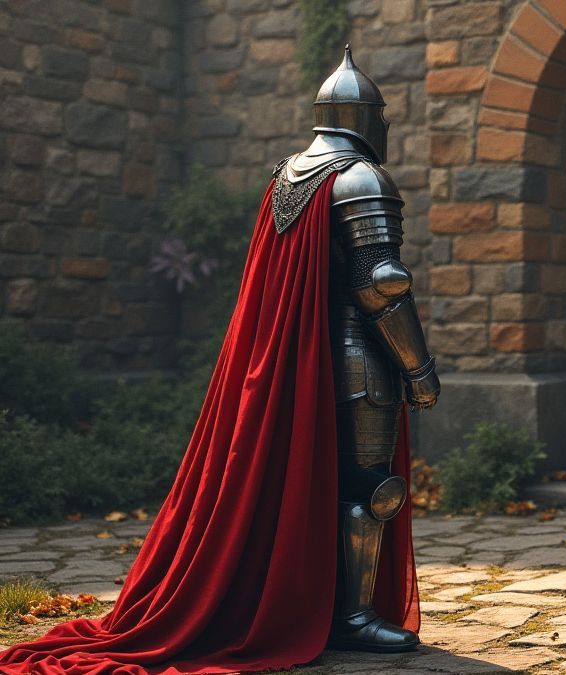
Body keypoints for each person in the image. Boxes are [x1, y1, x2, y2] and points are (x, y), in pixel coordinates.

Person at [0, 46, 437, 674]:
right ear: (368, 119)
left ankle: (325, 605)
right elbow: (382, 285)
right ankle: (352, 616)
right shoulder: (362, 178)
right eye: (383, 116)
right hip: (358, 362)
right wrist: (419, 369)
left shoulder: (291, 172)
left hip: (308, 359)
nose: (386, 127)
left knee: (321, 484)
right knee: (370, 491)